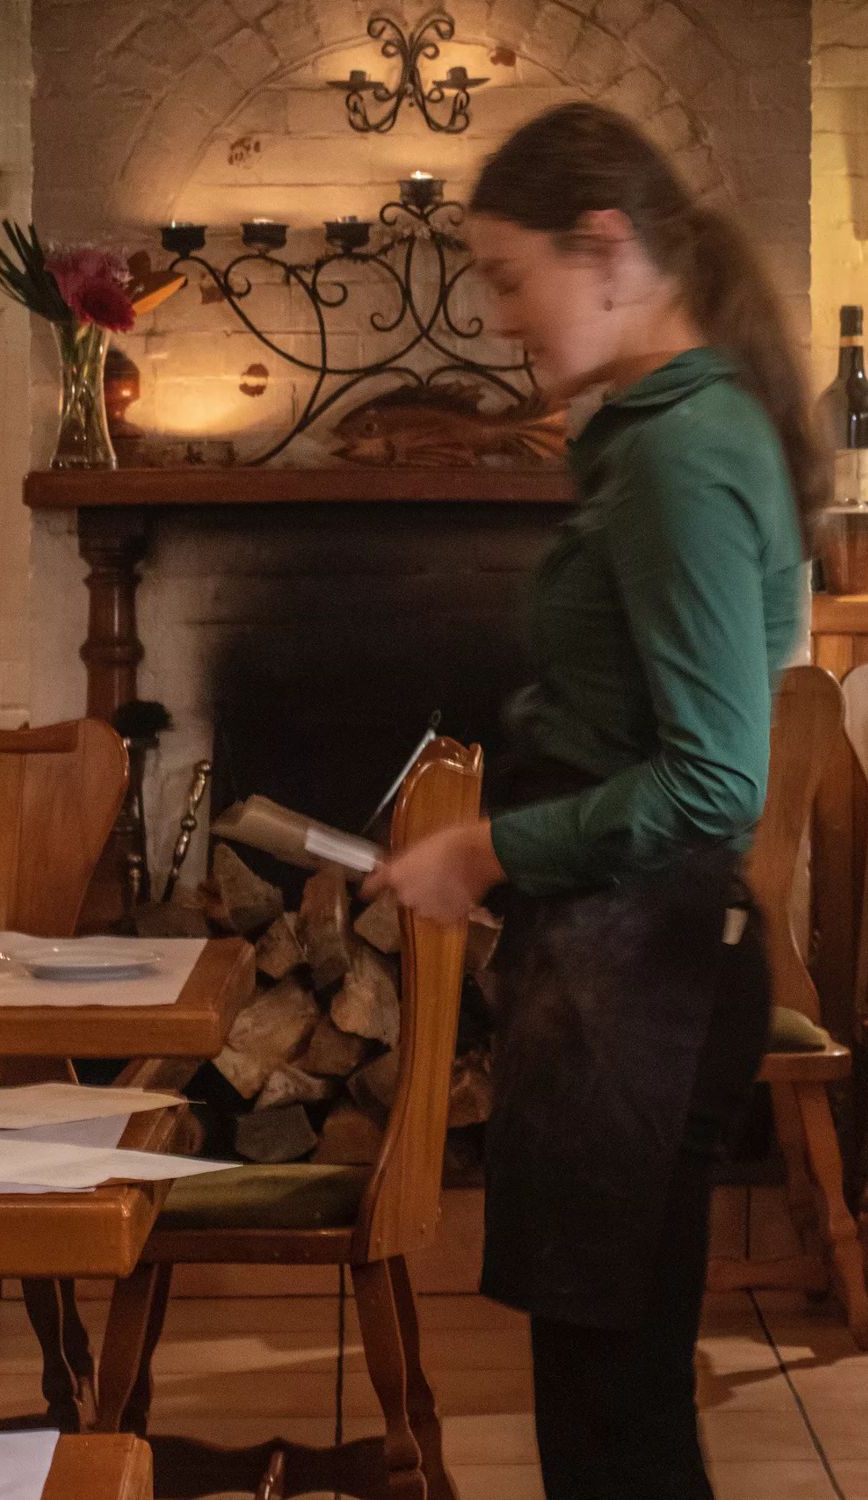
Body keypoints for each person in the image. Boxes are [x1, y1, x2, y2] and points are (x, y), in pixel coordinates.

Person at [363, 103, 823, 1499]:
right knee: (608, 1411)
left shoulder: (684, 450)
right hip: (633, 975)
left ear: (607, 247)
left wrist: (492, 849)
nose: (498, 321)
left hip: (651, 981)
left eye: (510, 278)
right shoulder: (663, 430)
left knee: (615, 1431)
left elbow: (708, 785)